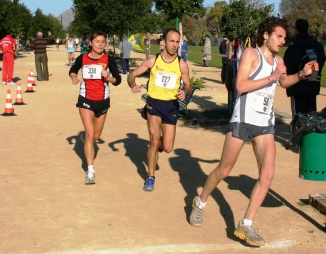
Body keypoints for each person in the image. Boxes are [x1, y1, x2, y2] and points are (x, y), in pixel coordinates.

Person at [189, 17, 319, 247]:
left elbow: (283, 82)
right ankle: (200, 202)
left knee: (267, 174)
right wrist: (271, 76)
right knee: (224, 170)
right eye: (279, 36)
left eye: (285, 38)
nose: (283, 41)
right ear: (266, 35)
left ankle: (246, 223)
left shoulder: (278, 60)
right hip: (243, 120)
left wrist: (301, 74)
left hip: (265, 123)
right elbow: (241, 86)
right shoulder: (251, 54)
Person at [127, 28, 191, 192]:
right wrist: (133, 85)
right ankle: (150, 177)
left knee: (168, 147)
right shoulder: (152, 61)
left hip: (171, 106)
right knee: (154, 140)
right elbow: (132, 74)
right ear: (163, 41)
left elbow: (188, 86)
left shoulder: (181, 64)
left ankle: (158, 146)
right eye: (172, 41)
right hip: (154, 103)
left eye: (177, 42)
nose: (175, 45)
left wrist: (185, 91)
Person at [69, 31, 121, 185]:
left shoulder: (108, 59)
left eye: (103, 41)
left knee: (96, 136)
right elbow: (72, 70)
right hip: (85, 99)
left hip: (103, 100)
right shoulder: (83, 58)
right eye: (97, 41)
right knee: (91, 134)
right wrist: (74, 77)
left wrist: (108, 77)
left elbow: (117, 80)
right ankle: (90, 170)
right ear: (90, 43)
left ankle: (86, 138)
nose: (100, 44)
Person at [283, 19, 325, 115]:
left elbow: (287, 67)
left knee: (298, 119)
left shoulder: (293, 48)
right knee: (312, 118)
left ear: (296, 29)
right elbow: (321, 61)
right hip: (313, 85)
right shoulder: (318, 46)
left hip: (297, 87)